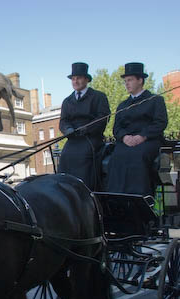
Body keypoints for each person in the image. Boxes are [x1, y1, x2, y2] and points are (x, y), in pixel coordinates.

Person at [106, 62, 168, 197]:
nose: (126, 84)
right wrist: (124, 137)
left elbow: (160, 122)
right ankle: (115, 197)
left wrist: (142, 136)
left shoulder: (155, 100)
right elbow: (116, 128)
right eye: (125, 81)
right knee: (116, 156)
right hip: (126, 141)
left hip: (148, 140)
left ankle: (141, 198)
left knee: (138, 156)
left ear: (140, 80)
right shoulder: (123, 105)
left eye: (130, 80)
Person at [59, 62, 110, 190]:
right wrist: (68, 130)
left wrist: (87, 129)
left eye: (79, 78)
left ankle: (85, 191)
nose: (75, 81)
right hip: (73, 138)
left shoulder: (98, 97)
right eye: (73, 79)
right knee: (65, 155)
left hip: (91, 137)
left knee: (83, 155)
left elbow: (103, 117)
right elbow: (63, 121)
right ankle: (66, 190)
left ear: (86, 79)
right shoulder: (67, 101)